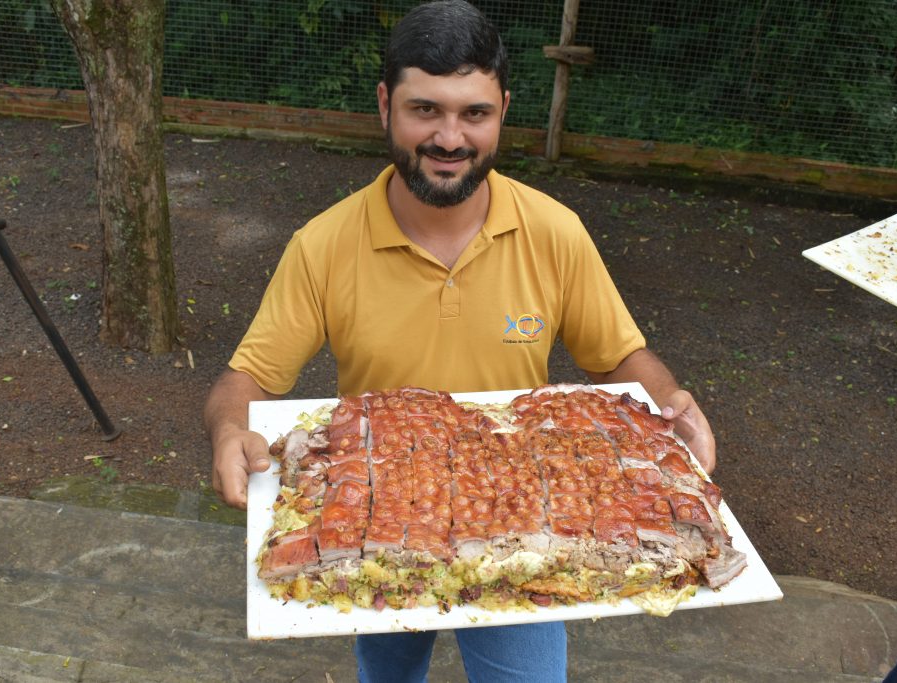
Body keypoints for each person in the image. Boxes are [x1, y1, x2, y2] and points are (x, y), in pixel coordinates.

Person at [205, 1, 716, 680]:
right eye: (426, 110)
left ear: (503, 109)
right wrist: (227, 430)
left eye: (474, 113)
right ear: (386, 105)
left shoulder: (554, 231)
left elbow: (621, 357)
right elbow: (245, 381)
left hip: (528, 518)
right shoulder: (323, 245)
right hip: (376, 521)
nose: (450, 137)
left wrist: (670, 398)